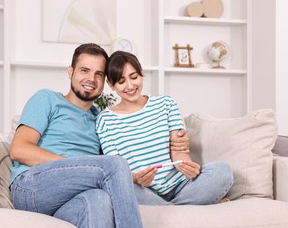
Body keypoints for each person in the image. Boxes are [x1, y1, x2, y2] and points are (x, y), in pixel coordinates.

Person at [9, 44, 156, 228]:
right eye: (84, 70)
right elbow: (19, 150)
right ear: (71, 72)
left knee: (99, 201)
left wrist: (174, 141)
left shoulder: (101, 119)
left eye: (99, 74)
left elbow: (109, 172)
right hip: (31, 187)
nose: (91, 79)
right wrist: (72, 165)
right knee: (114, 165)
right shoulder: (47, 99)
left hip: (71, 197)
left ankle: (178, 202)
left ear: (105, 82)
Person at [95, 51, 234, 205]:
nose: (130, 85)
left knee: (222, 171)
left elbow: (179, 151)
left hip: (181, 186)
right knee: (118, 187)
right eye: (121, 81)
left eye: (134, 77)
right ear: (110, 84)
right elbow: (117, 168)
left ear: (141, 74)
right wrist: (135, 178)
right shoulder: (105, 120)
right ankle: (189, 207)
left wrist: (186, 166)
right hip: (144, 191)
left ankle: (168, 210)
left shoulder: (166, 104)